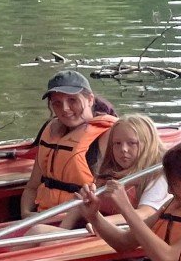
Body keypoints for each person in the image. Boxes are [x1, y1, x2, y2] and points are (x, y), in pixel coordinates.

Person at [71, 133, 181, 261]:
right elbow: (124, 242)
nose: (170, 190)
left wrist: (126, 208)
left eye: (175, 185)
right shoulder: (173, 204)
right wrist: (94, 216)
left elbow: (166, 260)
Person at [18, 71, 116, 216]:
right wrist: (26, 214)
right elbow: (32, 187)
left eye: (72, 100)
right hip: (43, 216)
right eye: (57, 103)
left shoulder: (109, 134)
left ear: (90, 99)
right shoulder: (51, 131)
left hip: (84, 220)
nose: (64, 108)